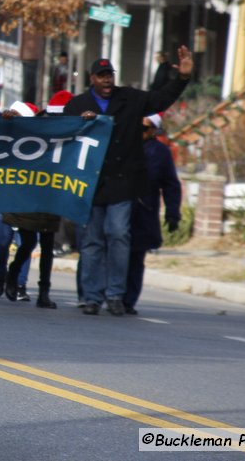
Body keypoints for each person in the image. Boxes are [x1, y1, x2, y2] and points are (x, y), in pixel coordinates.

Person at [64, 48, 193, 316]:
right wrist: (78, 124)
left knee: (119, 235)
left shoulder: (130, 99)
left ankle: (115, 295)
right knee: (92, 242)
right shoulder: (76, 105)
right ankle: (91, 297)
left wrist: (181, 77)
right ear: (92, 79)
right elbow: (59, 137)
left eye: (109, 75)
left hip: (123, 183)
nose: (107, 81)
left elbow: (160, 100)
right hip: (90, 185)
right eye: (101, 76)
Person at [124, 114, 182, 315]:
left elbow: (170, 184)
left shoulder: (160, 152)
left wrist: (173, 213)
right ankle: (109, 294)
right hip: (119, 207)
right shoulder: (123, 144)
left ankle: (128, 300)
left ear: (153, 131)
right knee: (113, 252)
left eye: (145, 128)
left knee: (135, 257)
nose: (140, 131)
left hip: (144, 211)